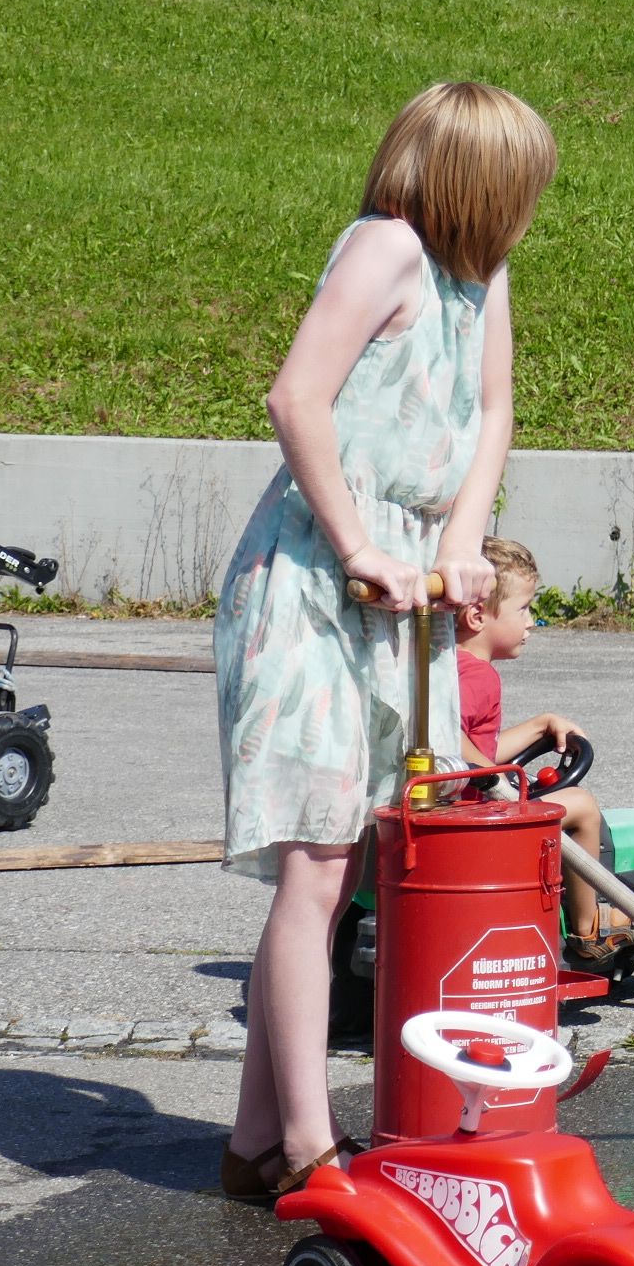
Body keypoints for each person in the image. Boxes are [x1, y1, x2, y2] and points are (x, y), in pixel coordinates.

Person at [214, 82, 550, 1199]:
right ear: (477, 182)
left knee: (353, 859)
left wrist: (460, 544)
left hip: (403, 581)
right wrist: (361, 545)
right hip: (313, 576)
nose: (528, 209)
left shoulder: (481, 275)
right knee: (316, 866)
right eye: (521, 187)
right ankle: (312, 1150)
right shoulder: (387, 249)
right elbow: (296, 398)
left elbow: (492, 412)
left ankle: (256, 1141)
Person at [452, 535, 627, 962]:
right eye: (524, 608)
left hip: (455, 809)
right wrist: (499, 782)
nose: (531, 621)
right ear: (477, 615)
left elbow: (474, 746)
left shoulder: (446, 665)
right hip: (469, 821)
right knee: (582, 805)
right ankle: (588, 929)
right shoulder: (477, 676)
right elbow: (449, 739)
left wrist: (538, 726)